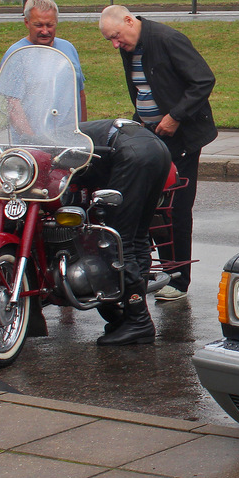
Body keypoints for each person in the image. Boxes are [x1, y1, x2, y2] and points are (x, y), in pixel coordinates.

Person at [98, 4, 217, 304]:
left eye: (116, 37)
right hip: (152, 138)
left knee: (175, 209)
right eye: (109, 40)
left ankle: (178, 278)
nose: (115, 44)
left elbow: (203, 80)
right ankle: (154, 270)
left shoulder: (167, 39)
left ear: (129, 20)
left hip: (183, 139)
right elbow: (143, 87)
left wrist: (175, 116)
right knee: (149, 206)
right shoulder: (130, 46)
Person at [76, 119, 172, 345]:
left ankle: (138, 321)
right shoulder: (70, 132)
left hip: (132, 153)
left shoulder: (55, 143)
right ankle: (130, 315)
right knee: (137, 238)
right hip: (154, 147)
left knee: (116, 239)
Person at [1, 0, 87, 121]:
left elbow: (80, 95)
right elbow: (13, 106)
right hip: (33, 138)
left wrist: (84, 132)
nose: (45, 31)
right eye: (39, 25)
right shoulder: (16, 55)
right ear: (27, 22)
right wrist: (32, 138)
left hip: (68, 137)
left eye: (49, 25)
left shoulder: (68, 49)